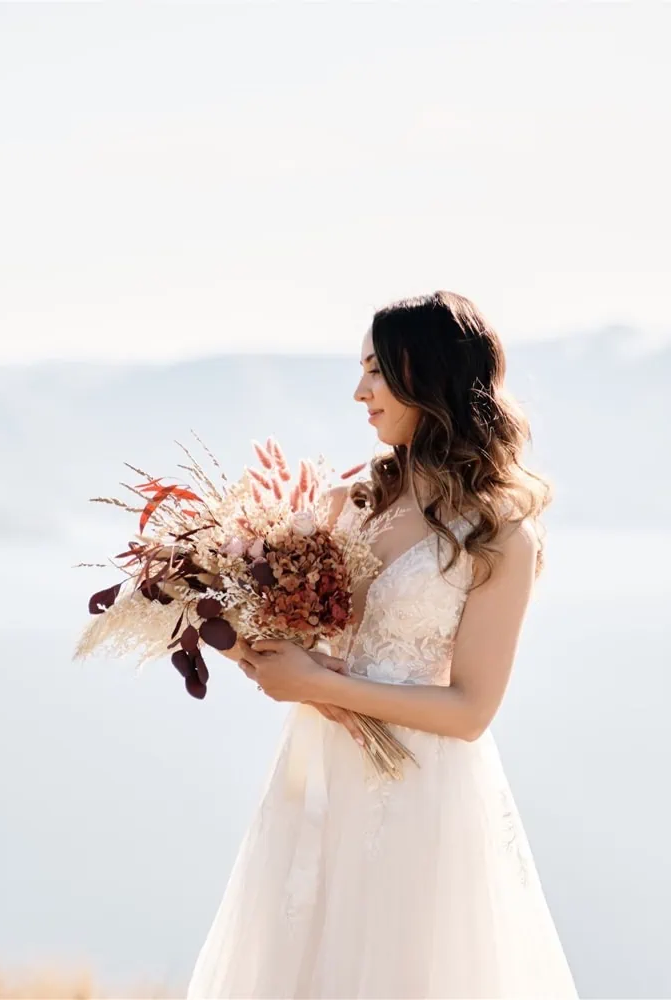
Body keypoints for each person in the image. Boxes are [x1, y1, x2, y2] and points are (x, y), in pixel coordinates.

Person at [185, 291, 578, 999]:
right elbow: (276, 620)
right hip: (317, 777)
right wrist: (242, 643)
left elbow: (470, 711)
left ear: (427, 378)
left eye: (376, 371)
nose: (359, 392)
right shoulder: (350, 502)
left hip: (421, 790)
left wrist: (320, 685)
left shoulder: (498, 537)